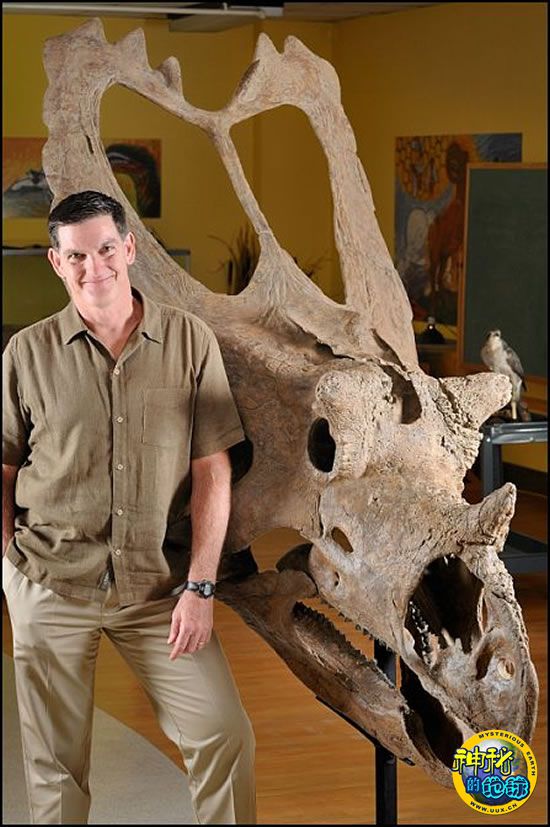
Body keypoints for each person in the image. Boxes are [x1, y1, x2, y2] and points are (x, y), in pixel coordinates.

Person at [2, 190, 256, 825]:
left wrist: (201, 585)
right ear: (57, 263)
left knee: (223, 734)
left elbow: (213, 468)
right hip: (50, 581)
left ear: (130, 249)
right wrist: (8, 568)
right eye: (77, 256)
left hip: (159, 589)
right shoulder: (25, 354)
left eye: (106, 249)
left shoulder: (190, 342)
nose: (95, 267)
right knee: (56, 769)